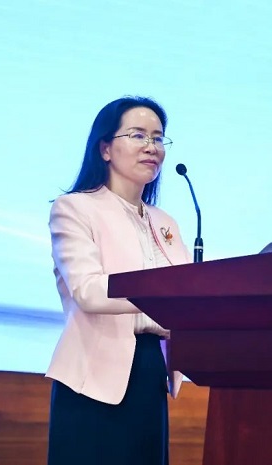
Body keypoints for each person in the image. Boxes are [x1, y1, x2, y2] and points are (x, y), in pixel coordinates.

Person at [45, 96, 190, 465]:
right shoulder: (75, 208)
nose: (151, 147)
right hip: (92, 378)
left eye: (158, 138)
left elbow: (187, 295)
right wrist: (163, 302)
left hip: (150, 368)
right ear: (105, 148)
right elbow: (88, 291)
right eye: (138, 135)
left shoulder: (165, 222)